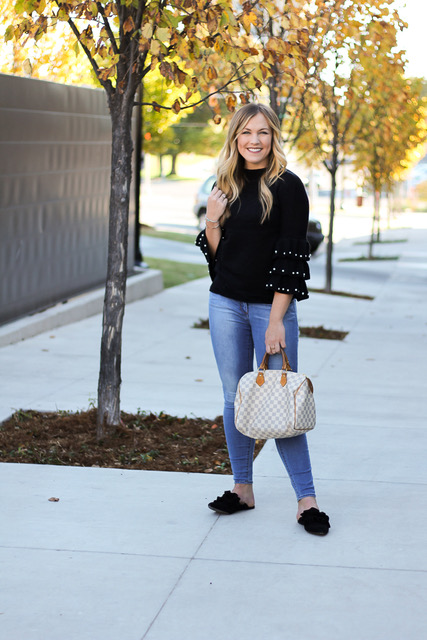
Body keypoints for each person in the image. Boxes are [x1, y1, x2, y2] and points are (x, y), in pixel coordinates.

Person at [196, 103, 330, 536]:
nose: (254, 140)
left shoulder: (288, 187)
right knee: (234, 397)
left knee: (281, 397)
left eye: (263, 133)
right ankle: (242, 489)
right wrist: (212, 222)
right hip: (225, 303)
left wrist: (276, 319)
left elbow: (292, 258)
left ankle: (306, 500)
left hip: (269, 307)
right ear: (234, 138)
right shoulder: (226, 184)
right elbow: (220, 263)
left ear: (273, 137)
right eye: (246, 133)